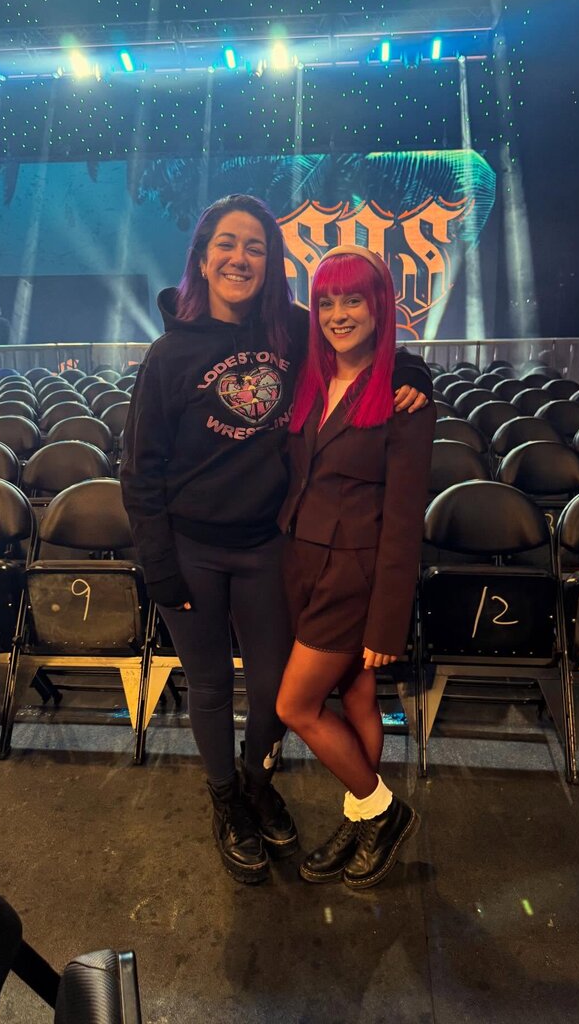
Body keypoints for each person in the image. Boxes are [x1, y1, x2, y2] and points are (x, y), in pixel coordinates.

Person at [120, 195, 432, 885]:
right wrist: (160, 568)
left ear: (271, 262)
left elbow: (367, 343)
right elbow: (139, 472)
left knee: (272, 690)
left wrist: (412, 375)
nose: (240, 258)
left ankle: (258, 784)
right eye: (226, 244)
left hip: (269, 547)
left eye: (255, 247)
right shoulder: (168, 355)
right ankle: (227, 803)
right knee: (208, 686)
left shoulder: (291, 330)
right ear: (203, 258)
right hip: (190, 550)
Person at [275, 245, 435, 890]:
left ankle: (383, 811)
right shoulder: (309, 379)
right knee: (357, 694)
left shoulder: (403, 399)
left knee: (296, 706)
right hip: (301, 563)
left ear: (379, 307)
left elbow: (403, 522)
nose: (338, 314)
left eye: (352, 300)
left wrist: (387, 622)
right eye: (326, 302)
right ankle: (359, 819)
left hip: (352, 576)